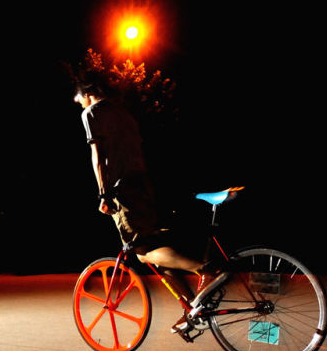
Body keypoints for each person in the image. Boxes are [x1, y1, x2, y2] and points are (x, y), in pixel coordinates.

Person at [72, 69, 220, 334]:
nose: (76, 100)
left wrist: (103, 194)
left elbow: (97, 156)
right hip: (144, 185)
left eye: (77, 95)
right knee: (155, 250)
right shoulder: (123, 111)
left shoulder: (92, 113)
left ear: (88, 92)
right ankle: (192, 307)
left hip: (122, 189)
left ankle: (205, 270)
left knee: (141, 251)